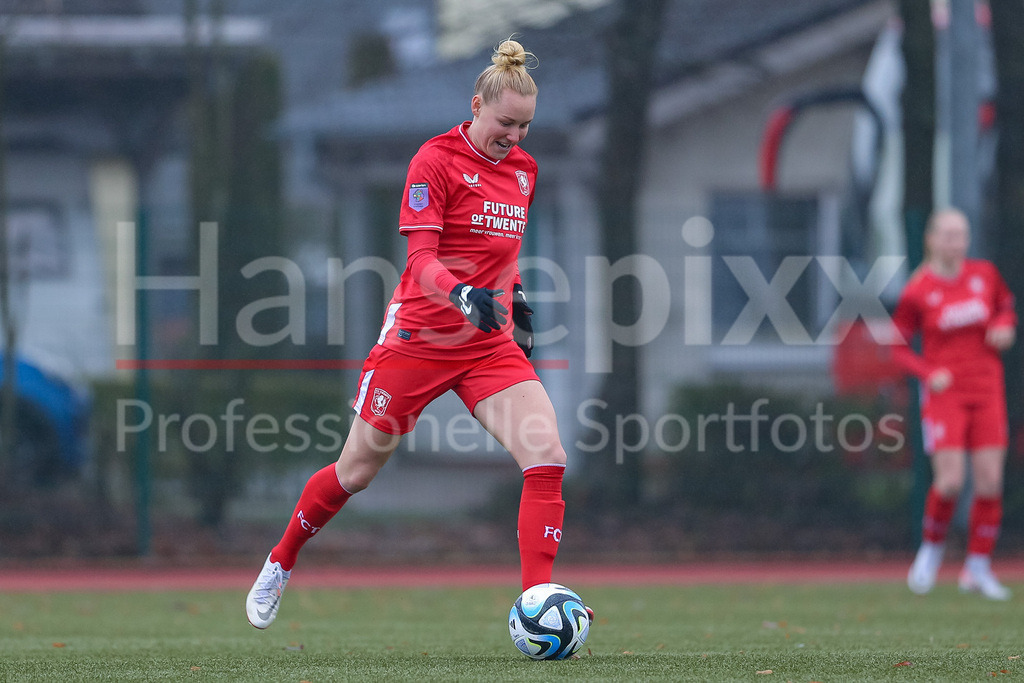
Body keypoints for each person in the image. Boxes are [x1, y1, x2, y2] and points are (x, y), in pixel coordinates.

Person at [246, 39, 585, 628]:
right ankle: (280, 560)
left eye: (525, 126)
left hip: (487, 345)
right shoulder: (434, 160)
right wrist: (459, 294)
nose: (515, 136)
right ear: (475, 104)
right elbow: (422, 258)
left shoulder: (524, 170)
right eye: (506, 122)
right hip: (419, 339)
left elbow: (504, 254)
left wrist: (519, 303)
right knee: (355, 472)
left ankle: (538, 603)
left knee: (547, 456)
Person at [893, 208, 1016, 600]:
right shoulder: (918, 289)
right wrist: (928, 373)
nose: (956, 242)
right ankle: (930, 551)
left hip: (987, 389)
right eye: (947, 235)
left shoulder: (984, 275)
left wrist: (1003, 326)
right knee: (949, 482)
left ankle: (977, 568)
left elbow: (1005, 308)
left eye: (961, 234)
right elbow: (896, 345)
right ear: (931, 239)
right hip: (946, 394)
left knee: (991, 481)